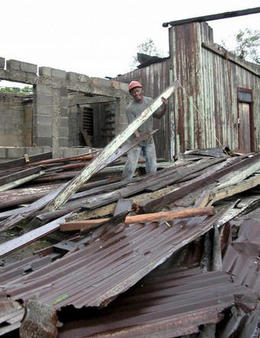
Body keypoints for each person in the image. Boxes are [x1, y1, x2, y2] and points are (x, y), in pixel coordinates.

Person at [122, 80, 168, 181]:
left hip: (148, 138)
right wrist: (138, 137)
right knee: (131, 164)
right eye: (133, 92)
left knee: (152, 164)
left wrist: (165, 106)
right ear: (131, 94)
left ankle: (151, 182)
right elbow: (132, 127)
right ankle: (124, 184)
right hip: (135, 141)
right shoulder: (130, 108)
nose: (136, 93)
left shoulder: (149, 101)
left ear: (142, 90)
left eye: (137, 90)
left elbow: (158, 116)